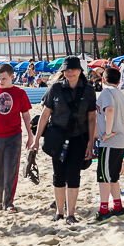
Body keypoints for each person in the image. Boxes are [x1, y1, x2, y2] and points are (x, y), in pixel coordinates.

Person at [31, 56, 97, 225]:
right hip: (57, 136)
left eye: (73, 69)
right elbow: (45, 115)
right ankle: (59, 212)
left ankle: (71, 214)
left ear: (80, 71)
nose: (70, 73)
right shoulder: (55, 88)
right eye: (67, 70)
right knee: (58, 176)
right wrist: (36, 139)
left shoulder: (88, 90)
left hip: (79, 138)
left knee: (73, 175)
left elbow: (91, 118)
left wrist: (91, 141)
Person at [0, 63, 33, 213]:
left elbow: (26, 115)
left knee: (10, 169)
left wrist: (30, 135)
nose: (0, 81)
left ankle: (8, 202)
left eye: (3, 78)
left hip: (14, 136)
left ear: (12, 77)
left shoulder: (20, 93)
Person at [88, 67, 124, 225]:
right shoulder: (121, 94)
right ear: (119, 81)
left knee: (103, 177)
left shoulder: (107, 92)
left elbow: (109, 110)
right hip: (120, 140)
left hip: (110, 141)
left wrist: (108, 132)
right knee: (113, 177)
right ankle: (118, 208)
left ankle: (103, 211)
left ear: (103, 79)